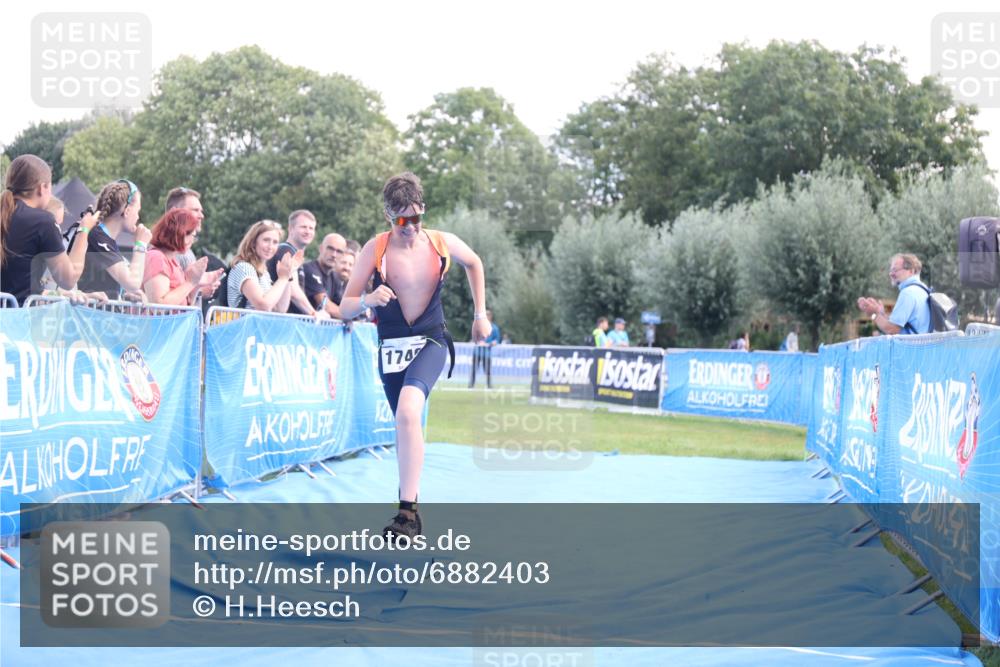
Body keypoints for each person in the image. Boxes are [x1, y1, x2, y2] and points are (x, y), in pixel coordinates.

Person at [339, 172, 489, 537]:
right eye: (400, 220)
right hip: (391, 345)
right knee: (404, 423)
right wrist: (367, 300)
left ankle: (406, 514)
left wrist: (480, 315)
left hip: (430, 340)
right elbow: (343, 307)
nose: (408, 227)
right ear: (388, 216)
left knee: (409, 411)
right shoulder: (374, 250)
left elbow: (475, 263)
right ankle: (413, 511)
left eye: (415, 218)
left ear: (423, 210)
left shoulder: (440, 242)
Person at [0, 155, 97, 305]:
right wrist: (84, 229)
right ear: (42, 187)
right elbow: (68, 279)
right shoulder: (42, 221)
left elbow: (21, 285)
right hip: (17, 321)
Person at [68, 179, 151, 301]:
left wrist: (124, 296)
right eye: (137, 211)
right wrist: (141, 244)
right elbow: (133, 283)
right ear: (127, 211)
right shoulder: (97, 236)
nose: (138, 217)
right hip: (89, 317)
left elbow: (104, 284)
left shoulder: (104, 238)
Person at [142, 208, 218, 306]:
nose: (193, 241)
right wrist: (190, 282)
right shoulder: (156, 257)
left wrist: (196, 282)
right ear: (180, 233)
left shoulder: (173, 262)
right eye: (192, 235)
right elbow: (159, 306)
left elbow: (186, 305)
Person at [227, 220, 303, 312]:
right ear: (253, 242)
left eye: (275, 242)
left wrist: (287, 276)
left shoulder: (264, 273)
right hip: (244, 326)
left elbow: (280, 309)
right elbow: (263, 305)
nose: (270, 246)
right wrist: (282, 278)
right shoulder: (244, 267)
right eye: (266, 240)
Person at [266, 209, 324, 318]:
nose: (308, 231)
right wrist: (314, 313)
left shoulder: (295, 255)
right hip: (280, 320)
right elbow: (293, 291)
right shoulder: (286, 251)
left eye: (311, 228)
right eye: (303, 227)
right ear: (290, 229)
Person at [857, 253, 931, 335]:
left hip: (913, 347)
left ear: (911, 271)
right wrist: (881, 313)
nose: (891, 274)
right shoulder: (923, 289)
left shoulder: (908, 293)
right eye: (891, 270)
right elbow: (897, 325)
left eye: (895, 270)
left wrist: (873, 314)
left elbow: (892, 330)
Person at [301, 232, 347, 318]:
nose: (334, 255)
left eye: (339, 251)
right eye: (330, 249)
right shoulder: (309, 269)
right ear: (321, 248)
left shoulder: (335, 277)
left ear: (343, 255)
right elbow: (326, 306)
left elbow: (342, 304)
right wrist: (350, 316)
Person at [469, 309, 501, 389]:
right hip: (477, 352)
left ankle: (489, 385)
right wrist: (478, 341)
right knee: (474, 370)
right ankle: (471, 385)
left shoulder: (494, 328)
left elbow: (496, 340)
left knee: (487, 371)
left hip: (487, 353)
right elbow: (473, 337)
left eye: (487, 315)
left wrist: (490, 344)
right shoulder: (478, 326)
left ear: (490, 317)